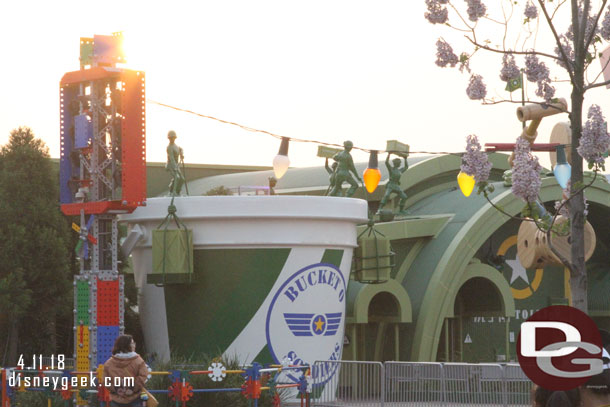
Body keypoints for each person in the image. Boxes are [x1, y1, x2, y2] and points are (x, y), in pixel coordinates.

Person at [103, 335, 149, 407]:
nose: (134, 345)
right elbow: (144, 376)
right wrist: (132, 388)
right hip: (134, 398)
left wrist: (117, 388)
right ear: (127, 346)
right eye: (132, 343)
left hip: (116, 399)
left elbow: (105, 381)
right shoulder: (138, 361)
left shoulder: (109, 363)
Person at [166, 130, 185, 196]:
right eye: (170, 138)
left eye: (173, 137)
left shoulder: (176, 146)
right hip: (171, 165)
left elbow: (181, 149)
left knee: (182, 179)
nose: (172, 139)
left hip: (176, 165)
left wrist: (182, 154)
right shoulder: (169, 147)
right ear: (169, 138)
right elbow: (172, 158)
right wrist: (175, 167)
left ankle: (178, 191)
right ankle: (171, 191)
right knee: (177, 177)